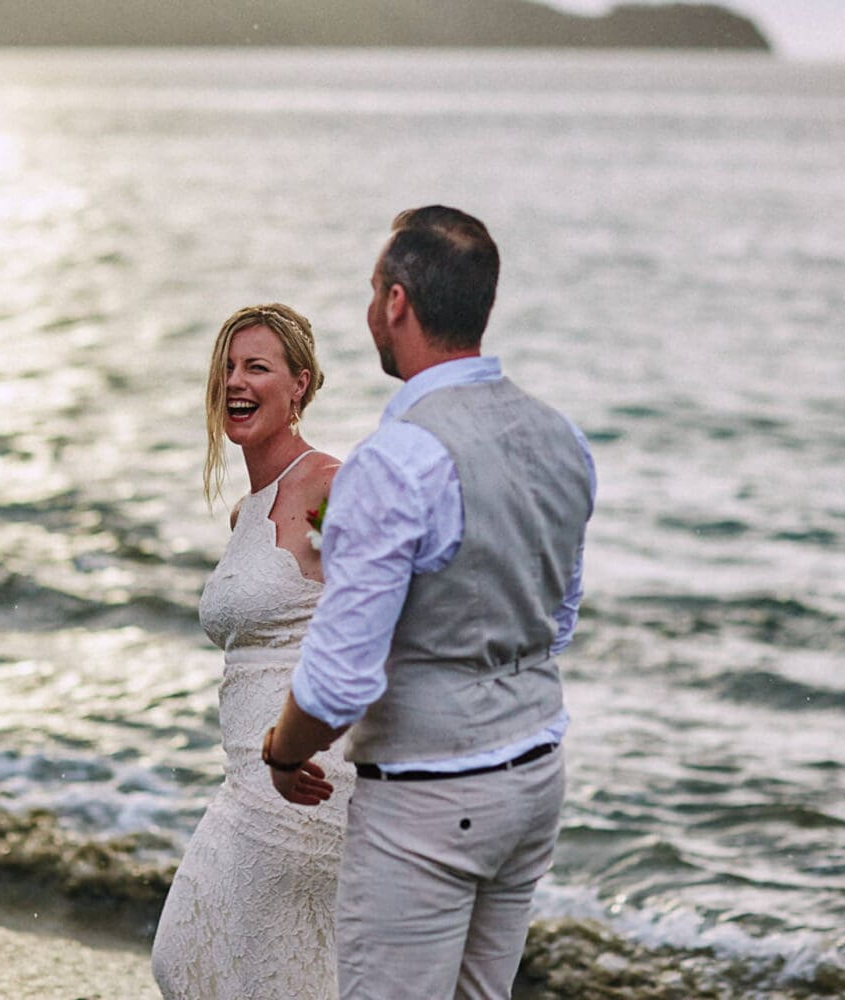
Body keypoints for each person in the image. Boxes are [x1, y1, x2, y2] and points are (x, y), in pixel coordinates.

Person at [264, 207, 596, 1000]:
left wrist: (282, 751)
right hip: (535, 775)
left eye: (372, 290)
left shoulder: (397, 461)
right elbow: (556, 620)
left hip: (430, 795)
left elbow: (338, 685)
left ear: (397, 302)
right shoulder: (562, 438)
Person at [151, 303, 355, 999]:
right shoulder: (246, 512)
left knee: (191, 962)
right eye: (228, 367)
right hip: (249, 777)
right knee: (221, 972)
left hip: (307, 780)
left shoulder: (328, 487)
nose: (236, 381)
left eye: (257, 367)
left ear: (300, 384)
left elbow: (386, 616)